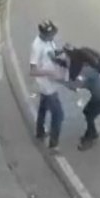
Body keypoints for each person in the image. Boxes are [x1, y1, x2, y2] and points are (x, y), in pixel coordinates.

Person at [56, 49, 100, 151]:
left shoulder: (85, 74)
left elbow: (74, 86)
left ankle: (92, 136)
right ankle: (90, 133)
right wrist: (59, 60)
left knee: (89, 115)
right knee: (87, 112)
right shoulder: (85, 63)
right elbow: (70, 56)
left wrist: (59, 79)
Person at [29, 19, 65, 152]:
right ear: (43, 34)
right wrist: (50, 71)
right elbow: (33, 70)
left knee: (43, 108)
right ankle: (54, 144)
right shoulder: (36, 46)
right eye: (51, 35)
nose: (53, 36)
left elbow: (51, 54)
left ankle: (40, 132)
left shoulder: (49, 41)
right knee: (58, 114)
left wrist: (61, 52)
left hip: (51, 82)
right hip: (46, 85)